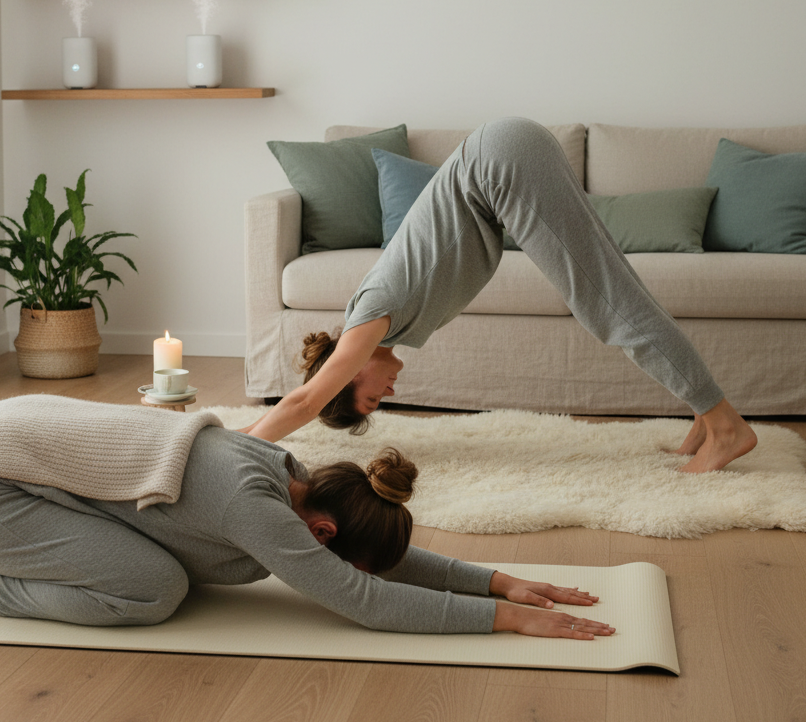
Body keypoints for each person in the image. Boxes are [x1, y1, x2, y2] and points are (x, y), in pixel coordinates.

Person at [0, 394, 614, 641]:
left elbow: (370, 569)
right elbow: (365, 597)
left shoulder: (291, 478)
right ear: (322, 533)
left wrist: (496, 581)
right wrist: (507, 621)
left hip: (5, 462)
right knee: (152, 590)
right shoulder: (253, 505)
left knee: (160, 575)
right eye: (337, 555)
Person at [242, 117, 757, 474]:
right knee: (619, 295)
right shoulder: (382, 318)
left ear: (350, 372)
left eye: (373, 396)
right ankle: (704, 418)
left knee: (612, 308)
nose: (389, 394)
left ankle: (726, 427)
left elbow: (306, 400)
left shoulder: (369, 319)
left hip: (502, 163)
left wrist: (238, 442)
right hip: (502, 154)